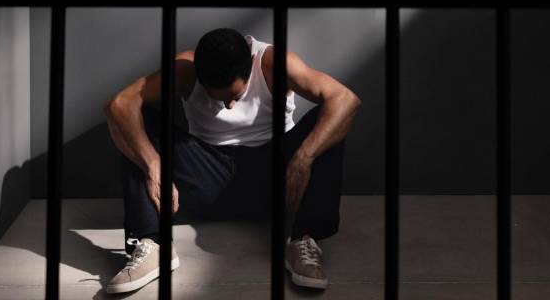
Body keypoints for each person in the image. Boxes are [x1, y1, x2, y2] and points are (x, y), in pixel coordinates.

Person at [102, 27, 361, 294]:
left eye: (235, 96)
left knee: (329, 120)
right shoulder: (186, 68)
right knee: (133, 123)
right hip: (206, 176)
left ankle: (302, 239)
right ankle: (153, 243)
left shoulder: (273, 63)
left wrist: (304, 157)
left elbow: (346, 99)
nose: (229, 107)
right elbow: (119, 104)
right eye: (219, 98)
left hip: (276, 180)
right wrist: (152, 164)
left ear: (251, 64)